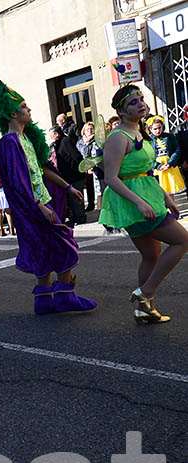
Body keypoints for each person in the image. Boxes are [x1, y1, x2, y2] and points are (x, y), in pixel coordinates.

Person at [0, 73, 97, 315]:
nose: (29, 110)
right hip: (31, 207)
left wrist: (68, 188)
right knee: (64, 243)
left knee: (42, 247)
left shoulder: (25, 138)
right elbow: (17, 182)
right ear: (12, 114)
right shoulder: (9, 142)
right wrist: (38, 205)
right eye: (23, 107)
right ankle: (65, 295)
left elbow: (42, 169)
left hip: (37, 204)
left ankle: (45, 300)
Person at [100, 86, 188, 323]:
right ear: (120, 110)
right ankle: (146, 292)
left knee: (151, 255)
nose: (140, 104)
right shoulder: (119, 137)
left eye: (141, 99)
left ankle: (144, 309)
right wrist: (139, 202)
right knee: (182, 240)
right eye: (133, 102)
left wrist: (166, 197)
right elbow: (111, 178)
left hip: (149, 195)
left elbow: (145, 172)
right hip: (133, 202)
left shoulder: (139, 131)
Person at [49, 125, 88, 226]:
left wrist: (80, 169)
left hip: (74, 175)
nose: (50, 138)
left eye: (51, 135)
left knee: (76, 198)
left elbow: (76, 156)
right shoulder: (57, 143)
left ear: (56, 134)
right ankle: (74, 217)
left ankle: (80, 218)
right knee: (71, 199)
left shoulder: (65, 141)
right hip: (67, 177)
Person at [146, 115, 186, 197]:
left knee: (170, 190)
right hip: (158, 169)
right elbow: (148, 155)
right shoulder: (149, 140)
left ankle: (171, 208)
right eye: (155, 129)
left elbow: (177, 149)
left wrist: (170, 163)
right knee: (160, 190)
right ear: (150, 129)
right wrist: (158, 165)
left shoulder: (169, 137)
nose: (158, 131)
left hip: (169, 166)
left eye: (159, 128)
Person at [76, 122, 101, 211]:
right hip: (83, 165)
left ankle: (93, 204)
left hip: (93, 165)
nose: (89, 131)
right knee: (86, 185)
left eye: (91, 129)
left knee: (93, 185)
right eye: (87, 129)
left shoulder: (96, 140)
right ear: (84, 131)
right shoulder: (80, 142)